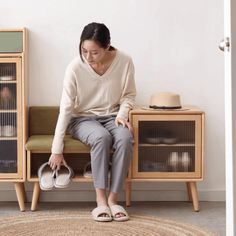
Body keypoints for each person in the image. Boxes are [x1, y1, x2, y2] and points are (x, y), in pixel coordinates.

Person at [48, 22, 136, 222]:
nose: (88, 57)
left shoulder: (125, 61)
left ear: (108, 46)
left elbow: (129, 95)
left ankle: (114, 200)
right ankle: (101, 201)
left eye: (94, 53)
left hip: (113, 116)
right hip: (82, 119)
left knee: (124, 137)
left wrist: (122, 115)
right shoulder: (74, 67)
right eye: (83, 51)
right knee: (101, 137)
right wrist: (56, 148)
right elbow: (66, 109)